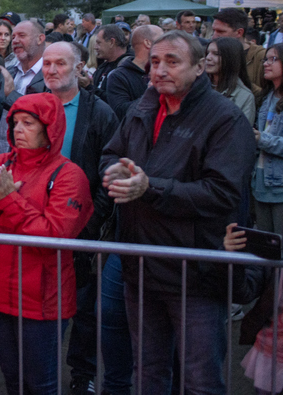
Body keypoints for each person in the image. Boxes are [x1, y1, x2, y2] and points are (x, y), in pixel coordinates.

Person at [101, 31, 257, 394]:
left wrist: (149, 187)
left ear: (200, 67)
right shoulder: (144, 106)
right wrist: (113, 170)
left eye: (172, 62)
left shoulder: (225, 119)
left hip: (195, 273)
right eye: (155, 61)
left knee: (200, 380)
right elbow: (111, 152)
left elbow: (223, 192)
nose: (159, 70)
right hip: (141, 265)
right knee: (148, 372)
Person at [0, 93, 94, 395]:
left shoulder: (69, 176)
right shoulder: (1, 163)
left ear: (50, 129)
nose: (18, 129)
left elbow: (53, 236)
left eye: (28, 123)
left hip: (40, 302)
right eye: (15, 123)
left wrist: (8, 201)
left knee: (40, 384)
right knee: (13, 379)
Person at [40, 42, 119, 395]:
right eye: (47, 63)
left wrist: (90, 221)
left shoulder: (99, 112)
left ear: (80, 67)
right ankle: (39, 371)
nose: (52, 69)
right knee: (40, 304)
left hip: (83, 226)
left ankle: (82, 373)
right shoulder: (32, 103)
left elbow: (108, 172)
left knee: (85, 306)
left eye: (60, 63)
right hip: (38, 224)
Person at [253, 43, 283, 236]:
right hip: (260, 184)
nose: (266, 63)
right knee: (264, 247)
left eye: (273, 59)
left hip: (280, 188)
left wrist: (261, 138)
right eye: (265, 59)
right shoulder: (266, 97)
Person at [103, 25, 162, 120]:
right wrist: (149, 94)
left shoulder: (162, 71)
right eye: (162, 39)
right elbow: (120, 112)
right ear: (148, 43)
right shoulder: (118, 76)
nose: (167, 44)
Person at [206, 36, 257, 124]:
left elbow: (242, 130)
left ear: (230, 58)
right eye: (207, 53)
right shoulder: (197, 85)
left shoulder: (245, 97)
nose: (208, 57)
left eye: (216, 54)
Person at [4, 20, 47, 108]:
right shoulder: (8, 72)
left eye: (22, 35)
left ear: (40, 39)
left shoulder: (51, 75)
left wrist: (11, 94)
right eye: (13, 37)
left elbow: (43, 111)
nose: (15, 41)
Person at [92, 24, 129, 101]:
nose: (95, 47)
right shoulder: (103, 66)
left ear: (112, 42)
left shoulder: (127, 68)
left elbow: (115, 101)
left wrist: (89, 87)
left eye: (99, 43)